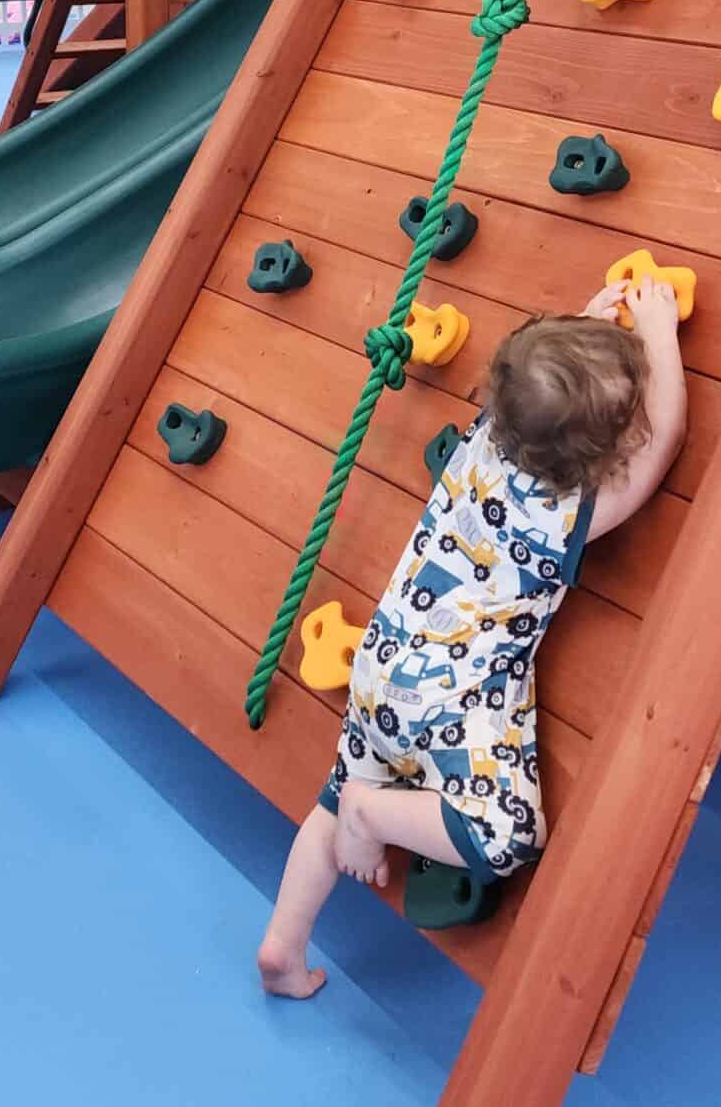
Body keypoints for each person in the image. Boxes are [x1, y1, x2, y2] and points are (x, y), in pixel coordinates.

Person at [257, 274, 689, 999]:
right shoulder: (563, 518)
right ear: (595, 455)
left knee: (334, 795)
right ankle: (377, 812)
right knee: (509, 836)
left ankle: (282, 944)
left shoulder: (484, 440)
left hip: (383, 667)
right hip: (453, 704)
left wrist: (585, 324)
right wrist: (660, 335)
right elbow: (665, 438)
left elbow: (543, 385)